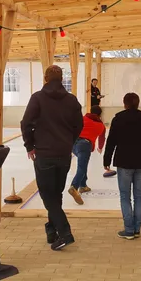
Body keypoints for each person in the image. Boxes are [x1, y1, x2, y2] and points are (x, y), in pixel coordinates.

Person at [21, 65, 84, 251]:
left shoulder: (38, 98)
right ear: (62, 79)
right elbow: (79, 125)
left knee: (48, 196)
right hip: (64, 154)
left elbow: (26, 123)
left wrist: (30, 145)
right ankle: (51, 230)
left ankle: (65, 233)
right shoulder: (72, 100)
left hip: (44, 153)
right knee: (56, 194)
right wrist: (68, 141)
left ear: (45, 78)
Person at [103, 93, 141, 240]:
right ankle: (137, 229)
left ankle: (129, 230)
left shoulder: (118, 119)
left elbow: (111, 141)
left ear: (124, 104)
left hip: (124, 162)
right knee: (139, 196)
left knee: (125, 196)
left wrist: (106, 160)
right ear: (138, 104)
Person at [69, 105, 106, 197]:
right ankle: (74, 187)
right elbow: (102, 138)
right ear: (100, 114)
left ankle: (83, 186)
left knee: (83, 164)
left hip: (73, 144)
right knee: (82, 167)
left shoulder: (82, 118)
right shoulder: (101, 125)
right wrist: (100, 147)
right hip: (85, 145)